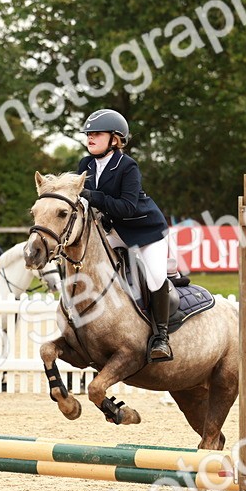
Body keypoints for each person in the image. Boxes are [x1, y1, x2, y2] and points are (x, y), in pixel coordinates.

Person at [76, 108, 173, 362]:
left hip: (146, 232)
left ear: (115, 138)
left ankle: (161, 337)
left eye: (96, 134)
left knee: (154, 277)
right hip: (113, 231)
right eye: (88, 134)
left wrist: (93, 197)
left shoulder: (127, 166)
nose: (90, 138)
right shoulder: (85, 165)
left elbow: (127, 207)